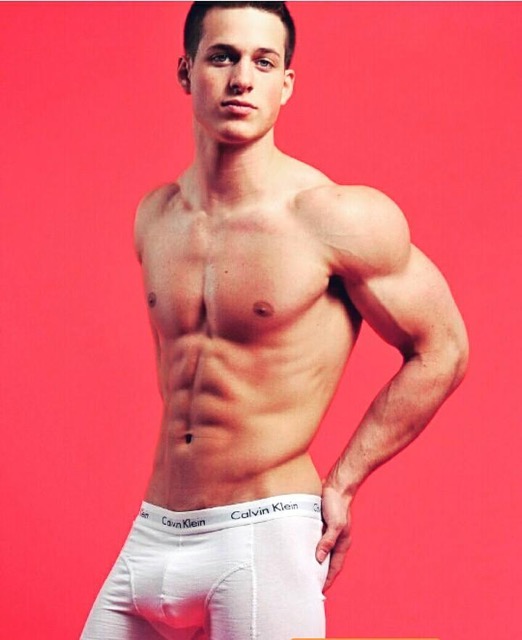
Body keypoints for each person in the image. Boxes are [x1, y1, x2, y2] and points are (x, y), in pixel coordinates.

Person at [81, 2, 469, 639]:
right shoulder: (156, 217)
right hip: (154, 530)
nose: (242, 80)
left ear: (286, 84)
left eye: (264, 62)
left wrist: (344, 481)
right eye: (222, 57)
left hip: (262, 533)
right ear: (186, 72)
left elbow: (445, 347)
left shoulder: (334, 218)